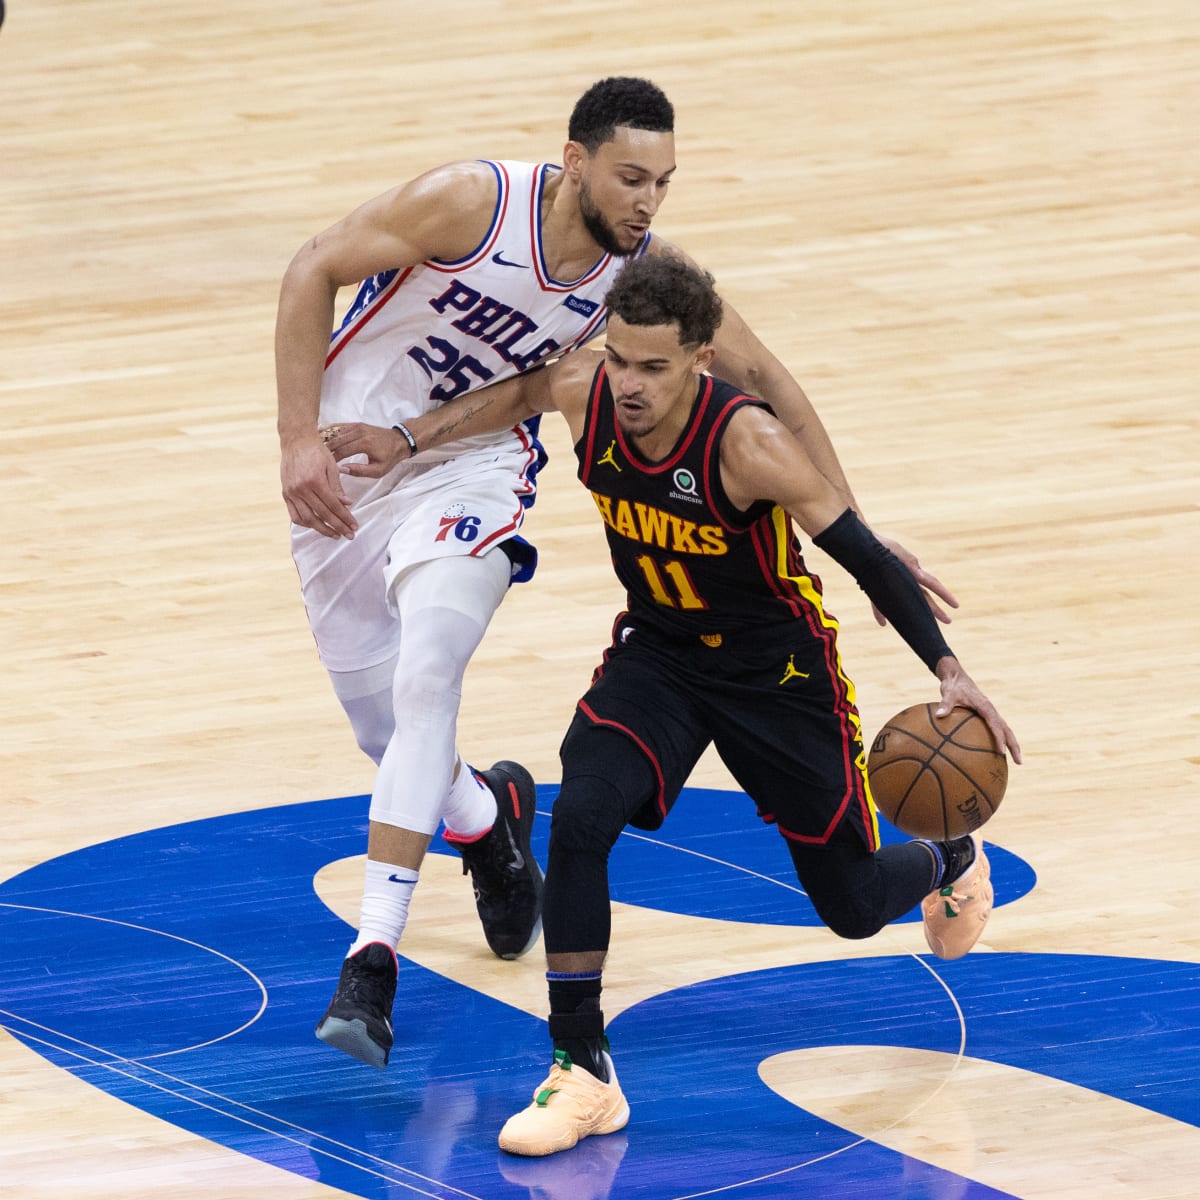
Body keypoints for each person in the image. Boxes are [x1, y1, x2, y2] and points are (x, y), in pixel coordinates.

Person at [276, 76, 953, 1074]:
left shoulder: (647, 284)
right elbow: (310, 269)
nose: (647, 202)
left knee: (430, 679)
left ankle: (375, 961)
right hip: (359, 455)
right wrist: (299, 440)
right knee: (390, 736)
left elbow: (766, 384)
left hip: (477, 465)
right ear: (576, 161)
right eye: (632, 177)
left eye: (664, 184)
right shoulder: (474, 204)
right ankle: (487, 821)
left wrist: (855, 524)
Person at [321, 252, 1022, 1155]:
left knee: (849, 904)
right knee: (579, 821)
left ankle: (951, 856)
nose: (631, 384)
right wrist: (410, 439)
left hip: (776, 675)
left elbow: (860, 551)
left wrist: (948, 668)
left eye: (653, 367)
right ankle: (582, 1069)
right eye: (619, 359)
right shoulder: (588, 389)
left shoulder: (748, 442)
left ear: (700, 358)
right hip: (660, 655)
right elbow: (518, 394)